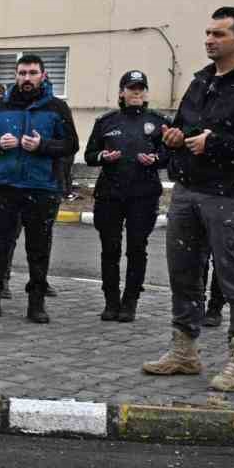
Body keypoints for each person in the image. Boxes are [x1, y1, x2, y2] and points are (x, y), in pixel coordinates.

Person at [145, 6, 234, 391]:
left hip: (229, 196)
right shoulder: (201, 81)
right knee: (183, 273)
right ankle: (184, 352)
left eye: (219, 34)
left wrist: (217, 143)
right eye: (208, 33)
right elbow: (186, 127)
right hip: (188, 191)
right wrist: (173, 135)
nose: (209, 40)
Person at [0, 54, 79, 323]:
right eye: (22, 73)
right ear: (15, 76)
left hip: (41, 187)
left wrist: (42, 146)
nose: (27, 78)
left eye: (32, 73)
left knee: (38, 249)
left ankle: (36, 303)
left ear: (43, 76)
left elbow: (71, 145)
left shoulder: (56, 108)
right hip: (3, 186)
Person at [83, 70, 169, 323]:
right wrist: (103, 157)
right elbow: (89, 155)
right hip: (110, 193)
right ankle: (111, 301)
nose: (136, 92)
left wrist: (155, 159)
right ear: (122, 92)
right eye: (131, 88)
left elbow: (170, 154)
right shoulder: (107, 121)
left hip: (143, 195)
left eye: (141, 88)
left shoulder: (158, 121)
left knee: (136, 249)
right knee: (110, 249)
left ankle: (130, 301)